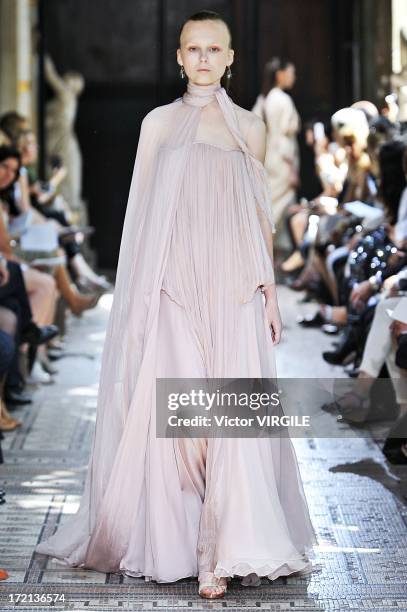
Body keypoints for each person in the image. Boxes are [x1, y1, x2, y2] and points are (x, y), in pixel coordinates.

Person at [35, 11, 317, 599]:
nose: (205, 58)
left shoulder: (251, 128)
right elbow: (140, 220)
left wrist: (269, 293)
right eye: (194, 48)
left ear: (231, 57)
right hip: (173, 288)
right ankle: (189, 537)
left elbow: (257, 216)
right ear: (180, 57)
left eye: (215, 49)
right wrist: (137, 296)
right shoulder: (158, 124)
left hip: (236, 288)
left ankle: (223, 546)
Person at [252, 57, 301, 236]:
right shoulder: (283, 100)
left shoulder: (263, 99)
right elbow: (284, 139)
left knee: (269, 204)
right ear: (280, 75)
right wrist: (291, 169)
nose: (293, 77)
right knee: (281, 209)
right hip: (281, 162)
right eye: (291, 73)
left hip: (268, 159)